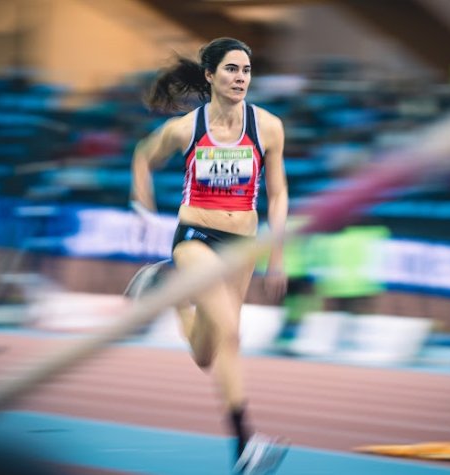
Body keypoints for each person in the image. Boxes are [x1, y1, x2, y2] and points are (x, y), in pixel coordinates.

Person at [129, 37, 289, 474]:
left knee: (206, 354)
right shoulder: (186, 129)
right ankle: (245, 444)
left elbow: (278, 194)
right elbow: (143, 156)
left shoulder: (268, 127)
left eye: (246, 70)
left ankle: (171, 293)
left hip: (243, 246)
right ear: (210, 75)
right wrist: (142, 206)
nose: (240, 78)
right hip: (196, 239)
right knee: (231, 336)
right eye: (231, 69)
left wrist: (276, 255)